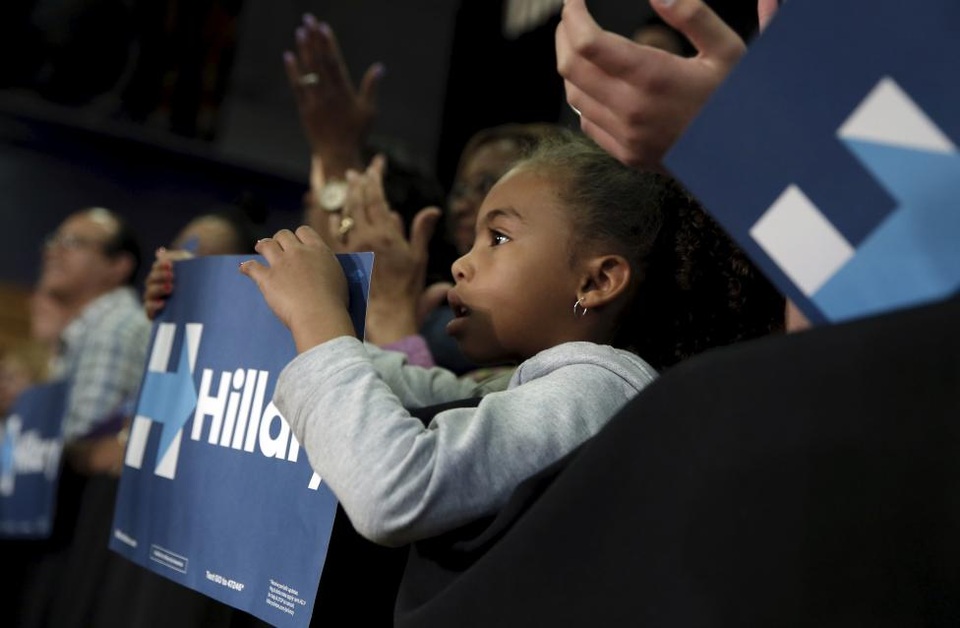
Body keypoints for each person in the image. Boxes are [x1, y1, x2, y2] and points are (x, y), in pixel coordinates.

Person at [240, 130, 783, 547]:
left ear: (595, 281)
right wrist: (284, 315)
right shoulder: (548, 384)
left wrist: (317, 321)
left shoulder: (597, 390)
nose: (459, 264)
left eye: (498, 237)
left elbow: (392, 490)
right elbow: (425, 393)